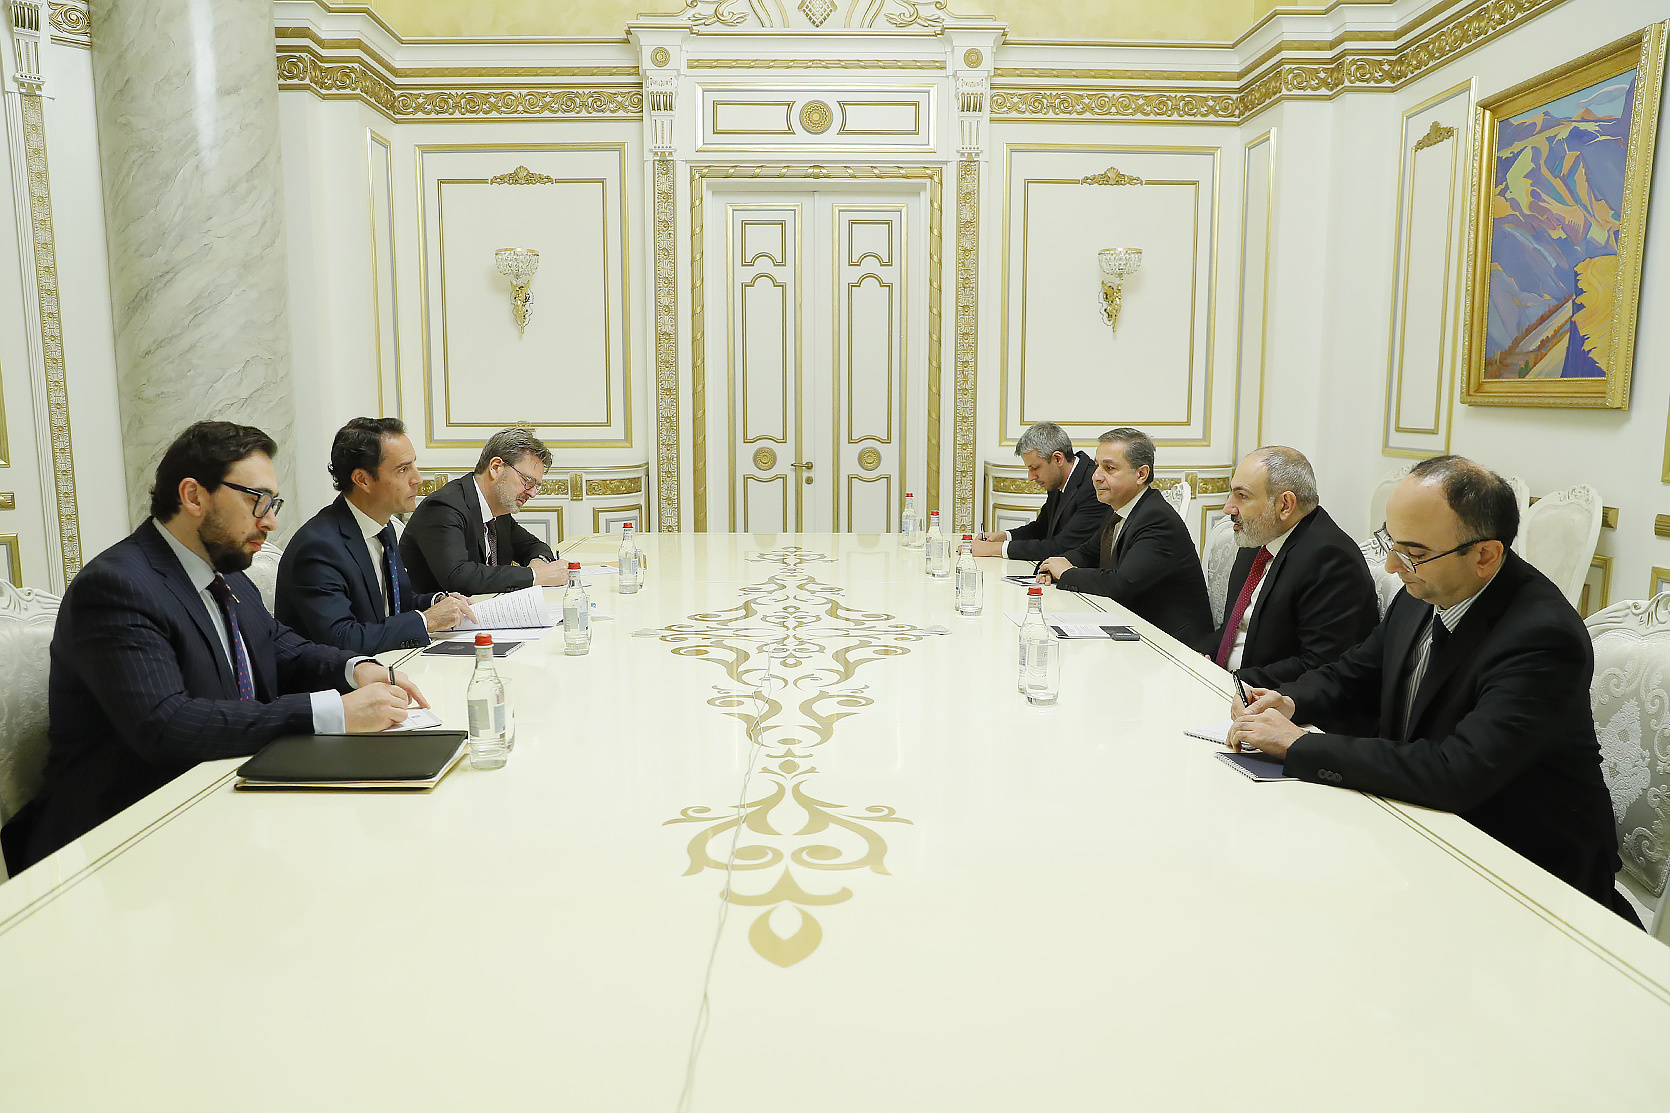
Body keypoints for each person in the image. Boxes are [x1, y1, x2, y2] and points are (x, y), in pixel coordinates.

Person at [2, 422, 425, 872]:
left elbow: (278, 645)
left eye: (273, 503)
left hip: (226, 796)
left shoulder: (227, 573)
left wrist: (355, 668)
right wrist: (331, 711)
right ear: (193, 496)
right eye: (257, 500)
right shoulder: (116, 586)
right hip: (121, 838)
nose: (271, 520)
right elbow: (166, 724)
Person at [1229, 455, 1633, 920]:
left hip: (1527, 875)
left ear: (1484, 556)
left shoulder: (1542, 636)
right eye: (1391, 542)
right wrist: (1290, 701)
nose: (1391, 566)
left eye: (1413, 553)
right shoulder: (1427, 589)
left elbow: (1456, 770)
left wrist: (1297, 745)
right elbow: (1354, 672)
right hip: (1422, 831)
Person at [276, 417, 476, 654]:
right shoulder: (318, 547)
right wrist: (427, 620)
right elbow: (341, 638)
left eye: (414, 465)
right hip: (342, 675)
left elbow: (393, 604)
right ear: (362, 479)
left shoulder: (383, 526)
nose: (418, 479)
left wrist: (438, 602)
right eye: (403, 469)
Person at [1211, 446, 1379, 687]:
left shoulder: (1330, 560)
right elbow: (1235, 629)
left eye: (1242, 496)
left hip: (1275, 699)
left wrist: (1231, 681)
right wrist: (1200, 656)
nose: (1228, 507)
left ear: (1285, 505)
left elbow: (1320, 665)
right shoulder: (1259, 536)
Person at [1036, 427, 1213, 651]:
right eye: (1097, 465)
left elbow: (1121, 584)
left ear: (1141, 474)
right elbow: (1087, 553)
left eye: (1109, 468)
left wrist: (1066, 573)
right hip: (1136, 627)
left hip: (1174, 645)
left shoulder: (1156, 518)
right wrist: (1051, 566)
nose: (1096, 476)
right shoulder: (1121, 509)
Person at [399, 427, 562, 595]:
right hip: (434, 610)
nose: (532, 493)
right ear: (495, 467)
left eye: (536, 486)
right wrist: (534, 576)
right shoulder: (443, 507)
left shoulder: (499, 511)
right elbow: (459, 576)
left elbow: (534, 546)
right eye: (527, 480)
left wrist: (539, 563)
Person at [971, 421, 1103, 561]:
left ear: (1058, 459)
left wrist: (994, 549)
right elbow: (1041, 528)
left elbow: (1062, 547)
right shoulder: (1057, 479)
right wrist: (1003, 537)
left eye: (1035, 468)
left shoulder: (1093, 486)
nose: (1031, 477)